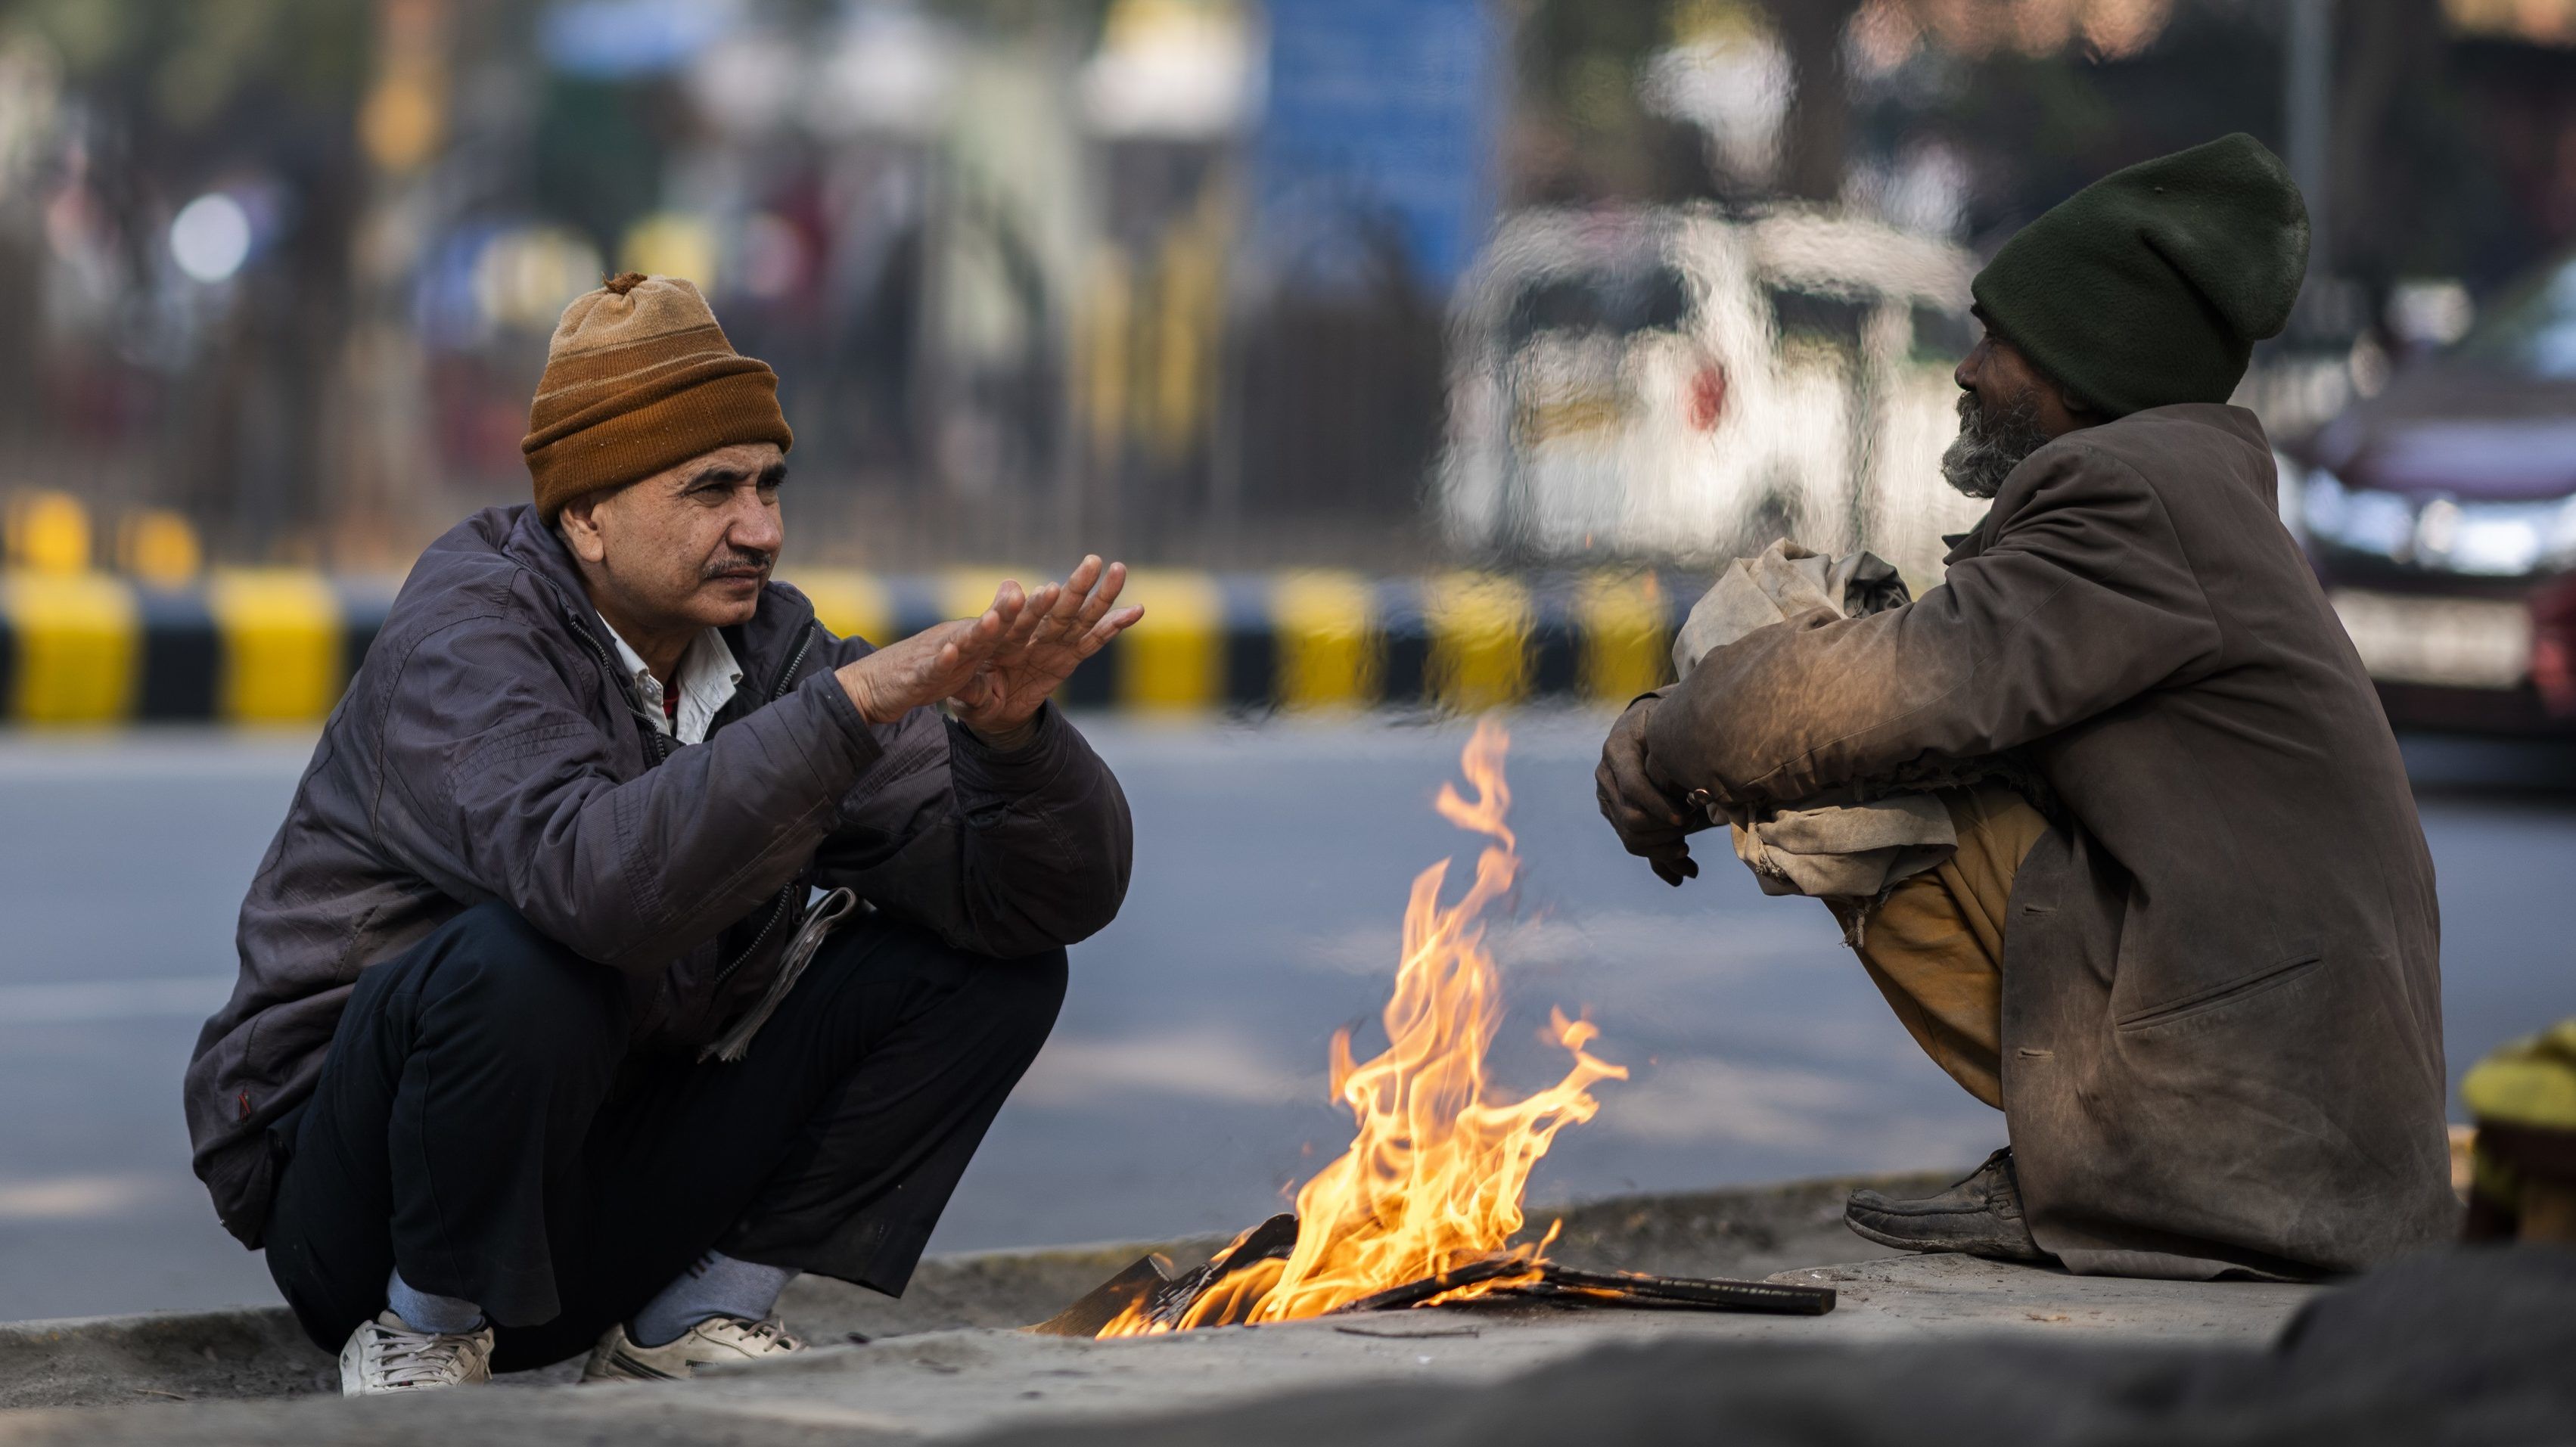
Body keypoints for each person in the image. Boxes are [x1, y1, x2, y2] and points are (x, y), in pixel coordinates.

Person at [183, 273, 1142, 1394]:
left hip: (594, 1187)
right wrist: (852, 707)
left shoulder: (771, 654)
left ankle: (697, 1313)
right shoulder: (470, 635)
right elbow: (598, 884)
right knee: (531, 956)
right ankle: (425, 1336)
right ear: (585, 514)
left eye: (770, 486)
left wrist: (1012, 738)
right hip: (367, 1215)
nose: (762, 529)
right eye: (712, 489)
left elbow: (1037, 896)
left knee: (994, 968)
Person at [1596, 135, 2457, 1280]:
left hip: (2275, 1144)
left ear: (2078, 366)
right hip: (2302, 1117)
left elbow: (1890, 695)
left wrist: (1665, 740)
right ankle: (2103, 1161)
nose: (1966, 369)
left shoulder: (2128, 497)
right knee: (1827, 710)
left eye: (1996, 341)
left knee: (1808, 706)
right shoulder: (2183, 492)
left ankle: (2126, 1172)